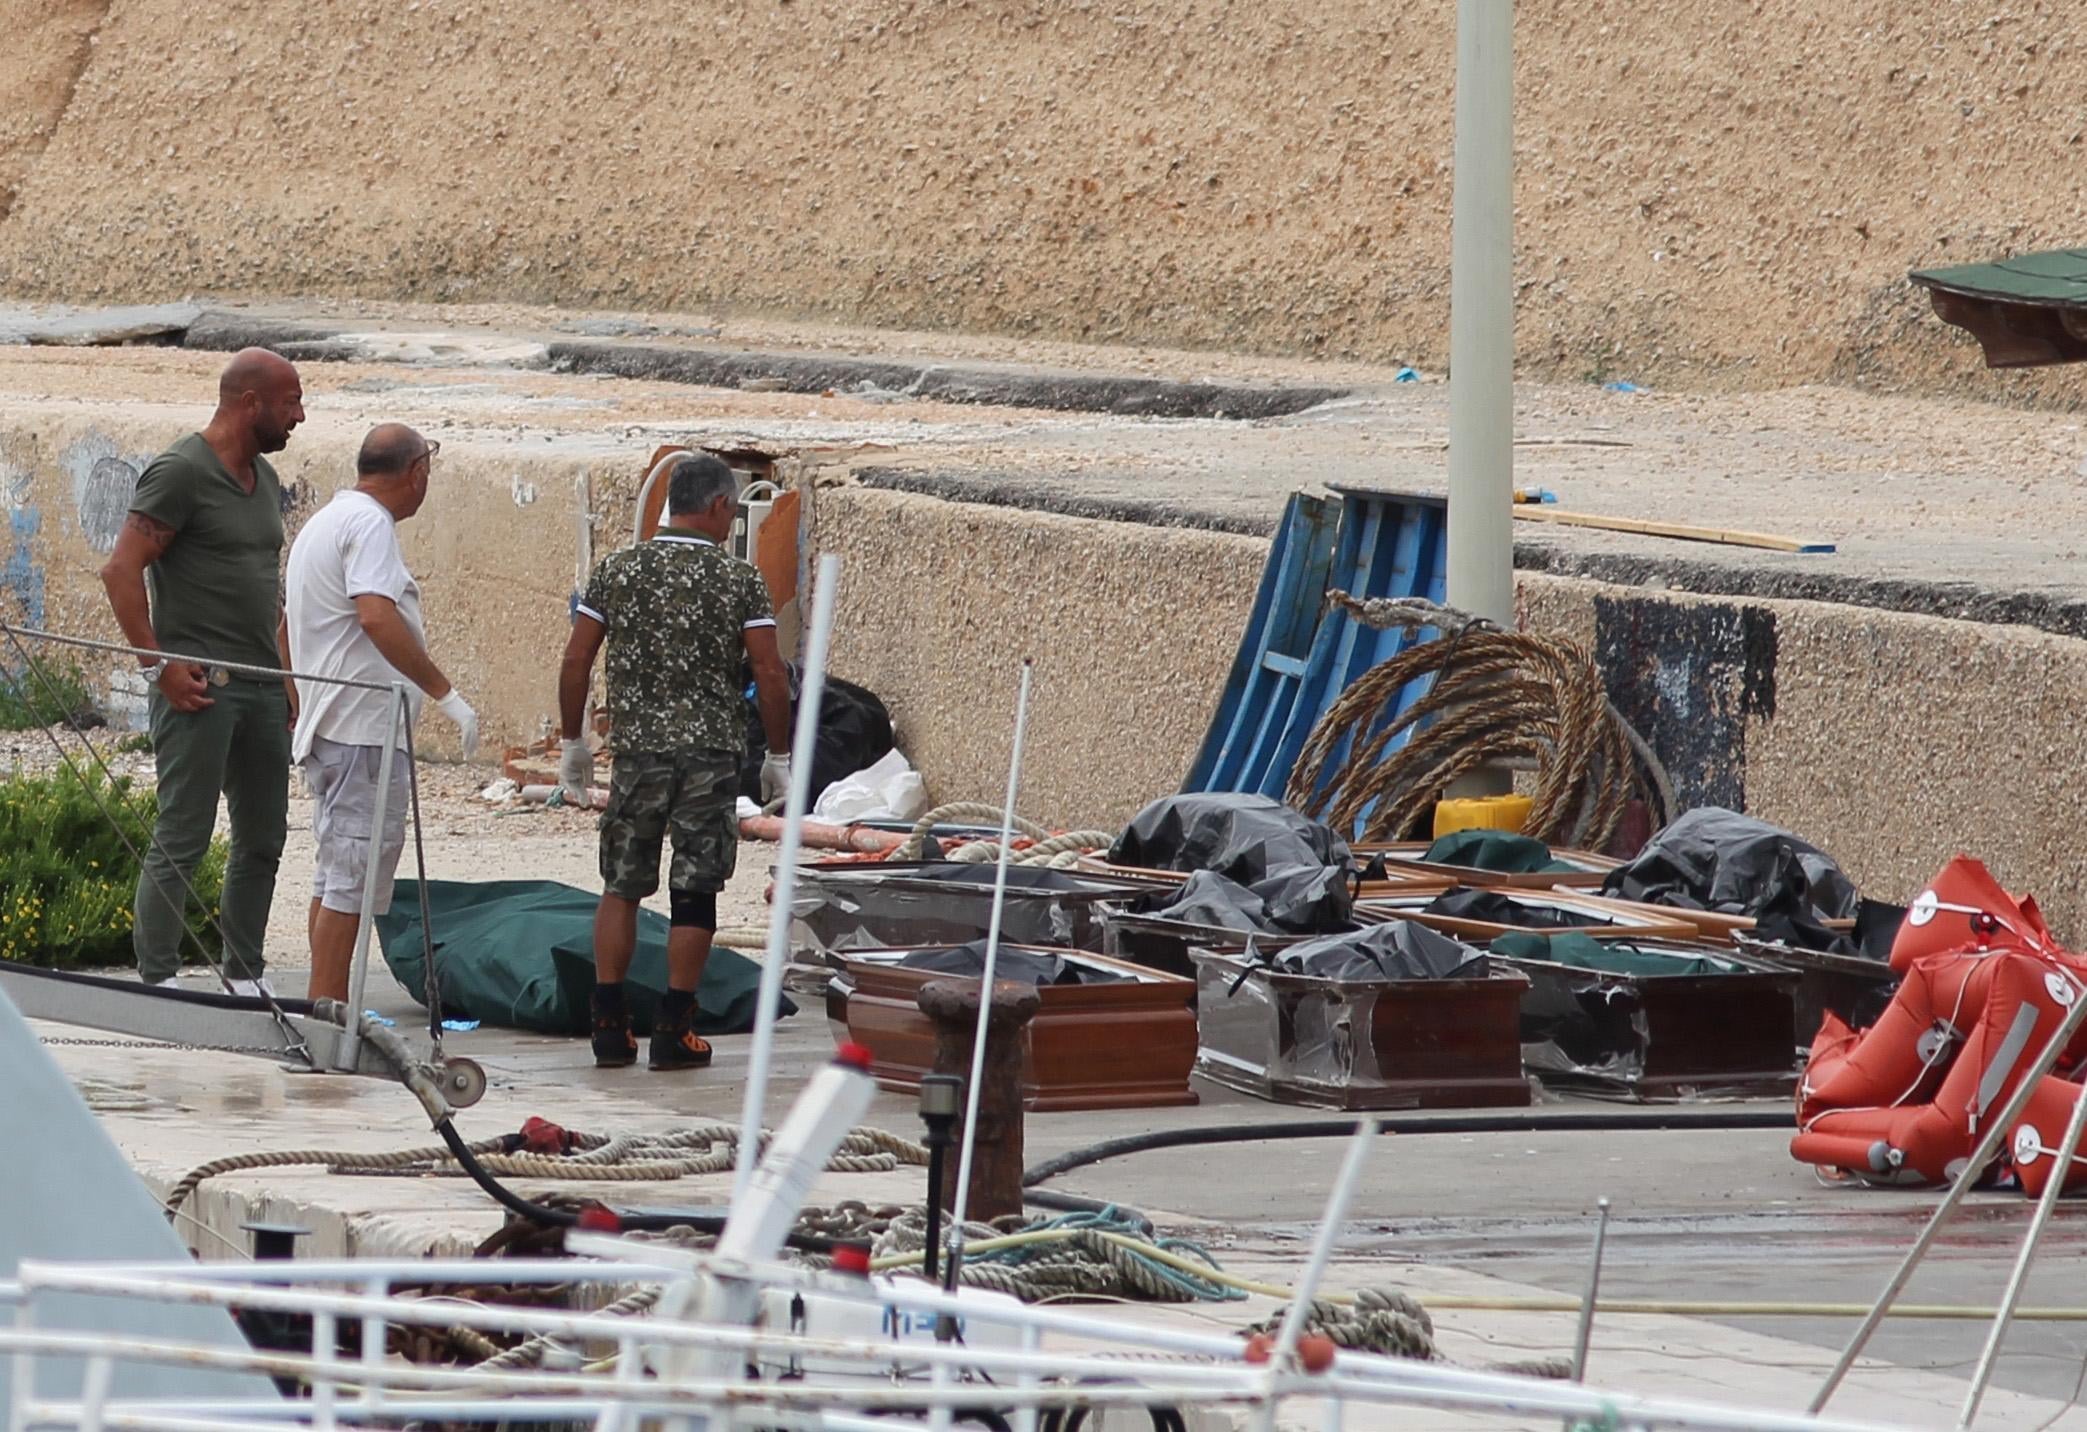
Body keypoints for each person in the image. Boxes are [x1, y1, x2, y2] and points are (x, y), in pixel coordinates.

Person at [556, 453, 792, 1071]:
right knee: (695, 893)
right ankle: (673, 1030)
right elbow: (768, 671)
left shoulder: (617, 569)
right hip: (711, 756)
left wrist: (572, 743)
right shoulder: (739, 580)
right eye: (731, 510)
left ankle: (609, 1028)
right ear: (716, 506)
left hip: (637, 754)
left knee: (622, 885)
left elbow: (577, 658)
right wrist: (780, 754)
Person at [99, 348, 305, 995]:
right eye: (291, 402)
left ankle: (244, 980)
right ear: (251, 404)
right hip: (199, 689)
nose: (300, 415)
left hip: (262, 688)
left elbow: (266, 585)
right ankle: (158, 984)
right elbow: (120, 570)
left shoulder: (266, 480)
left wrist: (287, 675)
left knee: (263, 840)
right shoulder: (181, 472)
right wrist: (156, 664)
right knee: (182, 838)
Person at [282, 424, 479, 1003]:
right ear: (415, 473)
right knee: (353, 879)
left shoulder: (324, 522)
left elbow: (284, 627)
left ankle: (325, 1006)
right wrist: (445, 693)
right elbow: (375, 615)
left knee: (335, 874)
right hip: (362, 730)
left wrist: (303, 705)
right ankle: (329, 1018)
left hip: (334, 725)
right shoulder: (369, 524)